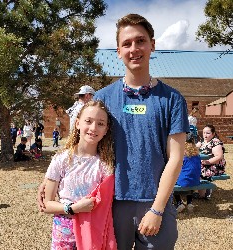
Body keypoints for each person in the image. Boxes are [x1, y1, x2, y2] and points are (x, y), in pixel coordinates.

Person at [38, 13, 189, 249]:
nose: (134, 48)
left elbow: (176, 158)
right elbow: (85, 143)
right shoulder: (104, 98)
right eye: (126, 44)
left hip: (154, 201)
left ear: (153, 44)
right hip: (110, 204)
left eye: (140, 41)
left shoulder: (172, 99)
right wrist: (53, 178)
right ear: (118, 51)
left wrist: (157, 209)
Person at [41, 100, 116, 249]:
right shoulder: (61, 159)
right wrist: (74, 207)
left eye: (100, 124)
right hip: (64, 231)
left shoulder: (105, 165)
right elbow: (47, 205)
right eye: (88, 121)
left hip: (92, 229)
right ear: (77, 124)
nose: (93, 128)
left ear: (106, 129)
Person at [196, 124, 226, 199]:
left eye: (208, 133)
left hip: (214, 166)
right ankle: (202, 193)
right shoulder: (203, 142)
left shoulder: (215, 142)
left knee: (198, 172)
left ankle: (206, 192)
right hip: (204, 165)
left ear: (213, 134)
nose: (205, 135)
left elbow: (219, 156)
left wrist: (207, 162)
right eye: (204, 133)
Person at [173, 133, 201, 213]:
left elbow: (176, 167)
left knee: (172, 182)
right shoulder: (197, 154)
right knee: (190, 177)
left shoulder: (181, 153)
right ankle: (189, 203)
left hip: (184, 181)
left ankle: (179, 203)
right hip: (196, 181)